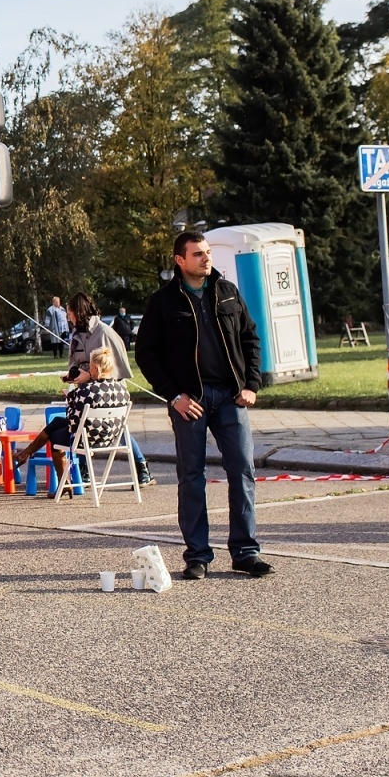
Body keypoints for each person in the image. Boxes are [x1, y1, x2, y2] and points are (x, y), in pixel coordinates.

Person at [136, 231, 271, 580]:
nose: (206, 259)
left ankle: (246, 553)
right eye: (197, 254)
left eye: (207, 252)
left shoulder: (227, 292)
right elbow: (147, 356)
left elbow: (251, 338)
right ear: (180, 260)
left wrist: (251, 384)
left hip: (230, 397)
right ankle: (197, 556)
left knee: (242, 471)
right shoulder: (163, 302)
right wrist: (174, 396)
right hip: (189, 401)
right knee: (192, 479)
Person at [12, 346, 132, 496]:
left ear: (94, 367)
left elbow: (72, 423)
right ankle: (26, 453)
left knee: (55, 435)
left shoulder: (86, 391)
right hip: (110, 438)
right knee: (56, 422)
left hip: (87, 439)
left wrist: (71, 399)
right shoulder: (123, 390)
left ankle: (64, 482)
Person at [65, 293, 152, 485]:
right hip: (87, 391)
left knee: (117, 428)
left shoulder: (104, 333)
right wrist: (73, 373)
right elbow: (75, 359)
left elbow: (112, 365)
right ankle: (83, 469)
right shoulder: (76, 335)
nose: (68, 318)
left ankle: (141, 466)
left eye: (69, 313)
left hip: (109, 391)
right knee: (80, 425)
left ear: (77, 312)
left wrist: (88, 374)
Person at [42, 295, 69, 360]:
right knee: (55, 342)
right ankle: (55, 355)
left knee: (62, 341)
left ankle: (61, 354)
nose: (58, 303)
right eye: (56, 301)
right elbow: (47, 319)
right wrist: (47, 327)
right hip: (55, 328)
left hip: (62, 328)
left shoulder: (62, 309)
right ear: (53, 302)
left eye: (58, 301)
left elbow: (65, 317)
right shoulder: (50, 310)